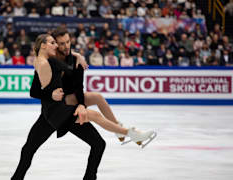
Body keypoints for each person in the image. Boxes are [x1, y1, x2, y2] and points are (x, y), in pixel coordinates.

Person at [11, 33, 156, 180]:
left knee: (29, 148)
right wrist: (76, 61)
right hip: (57, 112)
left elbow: (37, 89)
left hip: (54, 110)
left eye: (59, 43)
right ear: (43, 45)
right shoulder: (46, 63)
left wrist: (76, 56)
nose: (57, 46)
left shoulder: (40, 60)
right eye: (53, 43)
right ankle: (129, 133)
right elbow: (56, 79)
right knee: (94, 116)